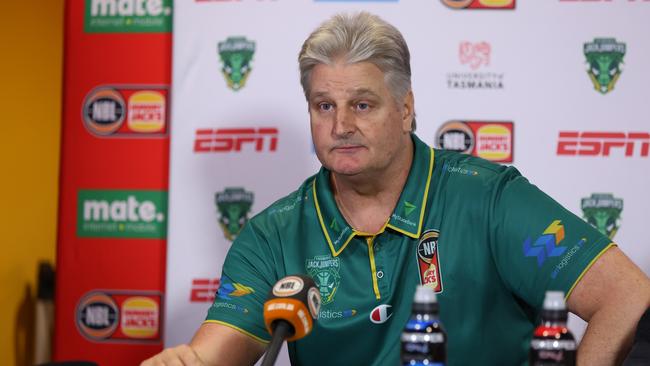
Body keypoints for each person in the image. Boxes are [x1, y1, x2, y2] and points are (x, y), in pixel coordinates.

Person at [143, 12, 650, 366]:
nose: (340, 125)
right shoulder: (273, 235)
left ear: (406, 109)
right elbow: (215, 354)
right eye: (324, 106)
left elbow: (627, 294)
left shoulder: (487, 198)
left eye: (362, 104)